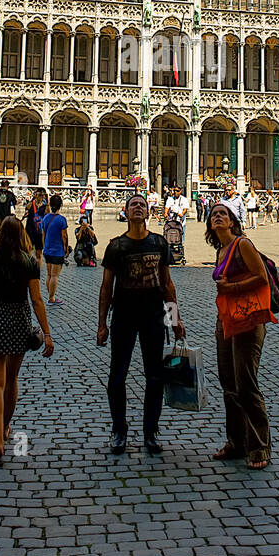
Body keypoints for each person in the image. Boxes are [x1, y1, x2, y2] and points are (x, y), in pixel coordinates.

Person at [98, 192, 184, 455]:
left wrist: (175, 319)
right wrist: (102, 324)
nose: (138, 207)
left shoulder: (159, 244)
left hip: (152, 317)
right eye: (133, 204)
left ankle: (151, 431)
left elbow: (167, 284)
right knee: (117, 375)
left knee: (154, 375)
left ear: (148, 212)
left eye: (142, 205)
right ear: (126, 212)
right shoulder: (116, 246)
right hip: (123, 316)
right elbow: (106, 287)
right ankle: (118, 430)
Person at [0, 215, 54, 464]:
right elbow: (36, 299)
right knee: (12, 379)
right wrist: (46, 332)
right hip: (18, 321)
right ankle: (5, 427)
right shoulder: (29, 262)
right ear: (22, 235)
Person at [206, 201, 274, 469]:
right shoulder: (220, 249)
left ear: (233, 221)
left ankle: (259, 446)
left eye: (223, 214)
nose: (218, 217)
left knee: (245, 383)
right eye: (214, 214)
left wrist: (232, 287)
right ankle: (236, 442)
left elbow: (262, 278)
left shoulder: (242, 244)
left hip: (248, 319)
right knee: (228, 384)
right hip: (226, 319)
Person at [41, 193, 69, 304]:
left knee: (49, 274)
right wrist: (66, 248)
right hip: (57, 251)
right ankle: (51, 298)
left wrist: (44, 246)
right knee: (55, 276)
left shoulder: (46, 218)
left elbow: (43, 234)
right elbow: (64, 236)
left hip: (47, 249)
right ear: (60, 205)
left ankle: (50, 295)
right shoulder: (62, 220)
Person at [24, 188, 48, 264]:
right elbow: (27, 208)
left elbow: (47, 213)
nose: (40, 196)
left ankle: (36, 265)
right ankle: (31, 264)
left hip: (37, 230)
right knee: (31, 249)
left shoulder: (45, 205)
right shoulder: (32, 204)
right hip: (33, 229)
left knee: (38, 250)